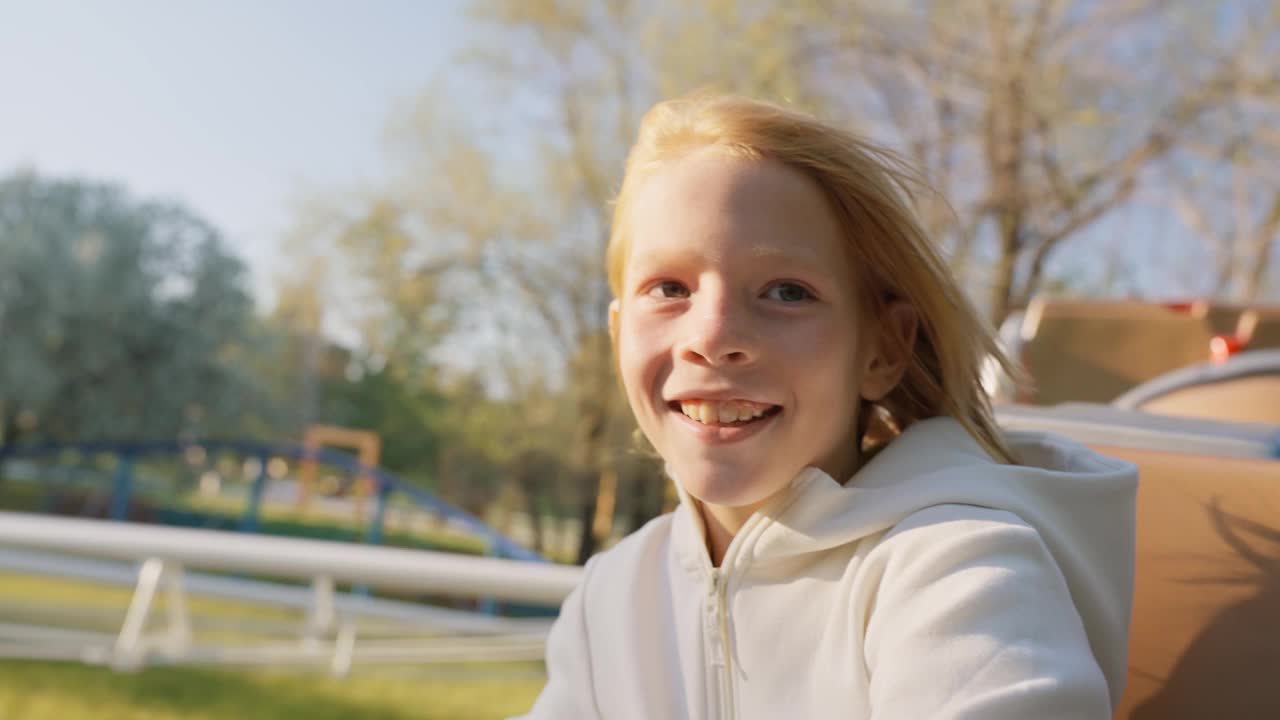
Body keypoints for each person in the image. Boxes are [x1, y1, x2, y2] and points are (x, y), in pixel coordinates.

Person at [514, 93, 1137, 720]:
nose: (711, 337)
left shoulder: (960, 568)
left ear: (882, 350)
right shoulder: (611, 598)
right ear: (619, 334)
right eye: (669, 288)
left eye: (787, 292)